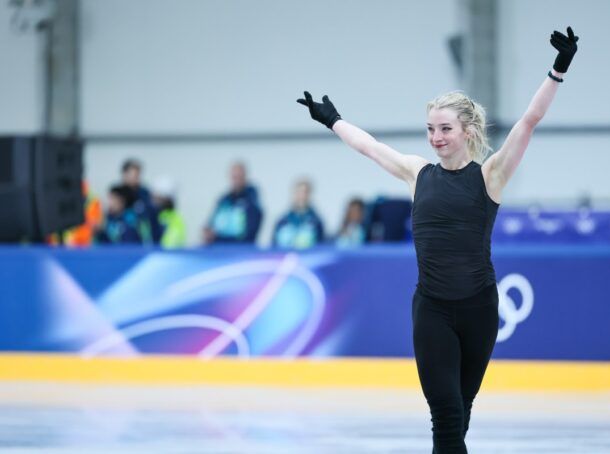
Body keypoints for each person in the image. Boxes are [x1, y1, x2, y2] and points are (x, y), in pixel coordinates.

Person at [297, 26, 579, 453]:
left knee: (459, 415)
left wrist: (558, 69)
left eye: (445, 128)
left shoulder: (491, 175)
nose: (436, 137)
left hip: (479, 309)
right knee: (446, 415)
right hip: (432, 310)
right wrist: (332, 120)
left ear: (467, 130)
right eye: (430, 129)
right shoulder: (417, 173)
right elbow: (370, 147)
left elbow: (529, 121)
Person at [204, 162, 263, 244]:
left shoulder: (252, 201)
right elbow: (212, 224)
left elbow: (248, 234)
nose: (236, 180)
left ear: (245, 177)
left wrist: (218, 237)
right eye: (234, 177)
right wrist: (208, 233)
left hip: (241, 248)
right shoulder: (223, 201)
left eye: (239, 176)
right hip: (219, 247)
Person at [272, 178, 325, 249]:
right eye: (298, 192)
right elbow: (274, 246)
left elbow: (321, 247)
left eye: (305, 192)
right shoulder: (282, 221)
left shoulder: (316, 222)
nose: (301, 196)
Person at [120, 158, 159, 244]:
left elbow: (152, 219)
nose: (136, 178)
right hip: (119, 242)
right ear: (124, 174)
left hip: (140, 242)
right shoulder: (117, 194)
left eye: (138, 175)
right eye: (133, 175)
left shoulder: (145, 194)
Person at [151, 176, 186, 249]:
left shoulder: (174, 220)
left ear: (166, 199)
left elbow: (169, 246)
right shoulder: (153, 215)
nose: (153, 201)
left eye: (157, 197)